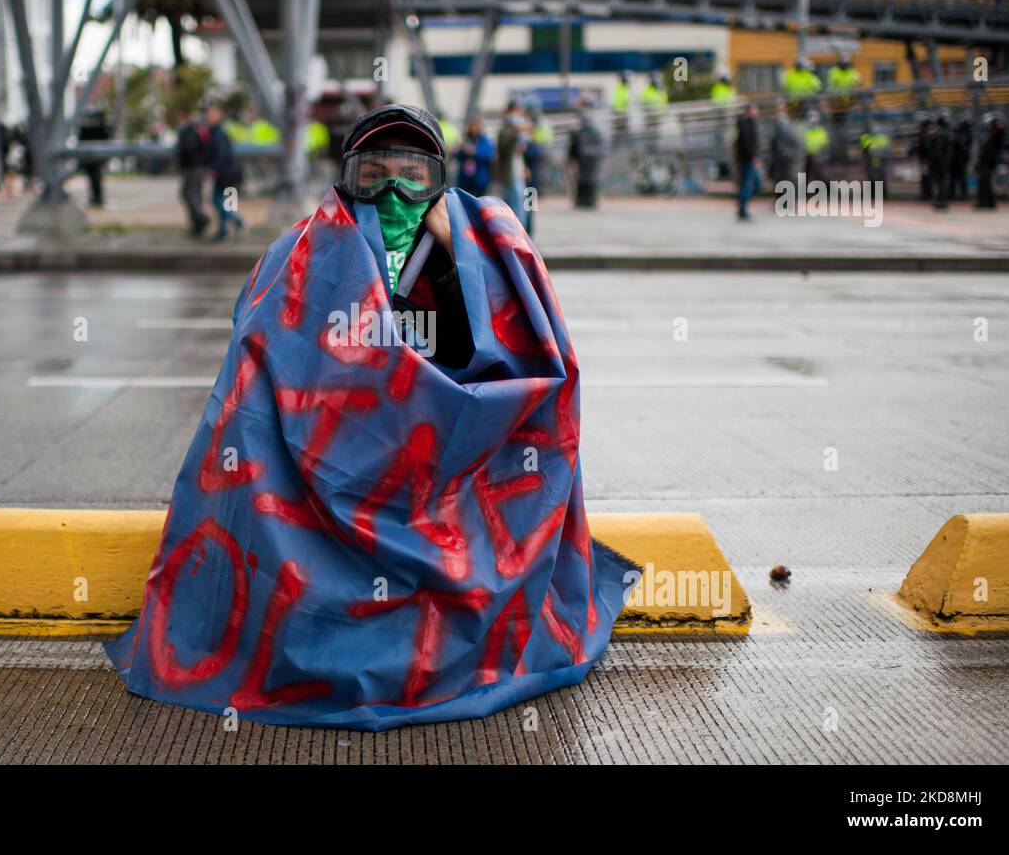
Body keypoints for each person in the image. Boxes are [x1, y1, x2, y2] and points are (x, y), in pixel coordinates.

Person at [101, 102, 632, 731]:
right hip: (323, 487)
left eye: (413, 173)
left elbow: (524, 372)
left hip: (438, 488)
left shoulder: (476, 254)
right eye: (371, 173)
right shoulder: (297, 255)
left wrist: (453, 256)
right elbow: (257, 376)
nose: (392, 191)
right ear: (343, 178)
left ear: (441, 181)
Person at [202, 103, 244, 241]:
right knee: (222, 201)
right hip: (226, 172)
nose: (208, 117)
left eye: (211, 114)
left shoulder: (217, 133)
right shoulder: (216, 132)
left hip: (225, 174)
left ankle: (238, 222)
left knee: (219, 201)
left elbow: (221, 154)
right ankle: (223, 230)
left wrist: (213, 168)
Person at [496, 102, 530, 234]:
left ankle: (522, 232)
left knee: (523, 204)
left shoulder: (518, 133)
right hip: (509, 175)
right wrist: (516, 133)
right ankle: (515, 231)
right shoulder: (505, 132)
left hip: (518, 174)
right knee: (512, 203)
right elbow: (504, 151)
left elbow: (519, 153)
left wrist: (525, 167)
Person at [176, 110, 210, 237]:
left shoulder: (190, 132)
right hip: (197, 168)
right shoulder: (200, 132)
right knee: (195, 196)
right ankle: (198, 225)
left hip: (192, 168)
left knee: (189, 194)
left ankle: (201, 218)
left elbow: (188, 149)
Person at [567, 101, 606, 208]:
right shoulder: (593, 131)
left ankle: (585, 199)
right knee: (588, 178)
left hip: (586, 159)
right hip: (589, 159)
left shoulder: (583, 132)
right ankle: (587, 199)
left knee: (585, 178)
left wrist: (572, 157)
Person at [735, 101, 762, 221]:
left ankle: (742, 205)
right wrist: (753, 157)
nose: (757, 112)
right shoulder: (746, 125)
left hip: (747, 159)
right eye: (754, 110)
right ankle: (742, 206)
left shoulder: (750, 124)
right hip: (747, 160)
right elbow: (747, 144)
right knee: (753, 183)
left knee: (751, 184)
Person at [454, 116, 494, 196]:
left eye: (475, 126)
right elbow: (458, 157)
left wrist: (474, 152)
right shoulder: (466, 139)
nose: (472, 129)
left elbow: (489, 155)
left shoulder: (485, 140)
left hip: (479, 178)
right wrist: (460, 150)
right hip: (465, 179)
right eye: (471, 126)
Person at [78, 111, 111, 207]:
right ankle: (96, 198)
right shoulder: (99, 128)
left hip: (95, 159)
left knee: (95, 179)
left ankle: (97, 198)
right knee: (93, 179)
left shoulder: (100, 128)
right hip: (91, 158)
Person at [769, 103, 802, 192]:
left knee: (786, 181)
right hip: (784, 159)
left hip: (784, 159)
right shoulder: (782, 125)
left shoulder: (783, 126)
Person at [975, 113, 1005, 210]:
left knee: (986, 182)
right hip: (983, 162)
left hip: (990, 162)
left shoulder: (997, 134)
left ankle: (988, 202)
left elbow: (1001, 131)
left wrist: (997, 123)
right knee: (983, 182)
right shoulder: (988, 134)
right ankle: (984, 202)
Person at [928, 114, 952, 210]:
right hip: (943, 161)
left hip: (939, 162)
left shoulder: (939, 133)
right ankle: (941, 200)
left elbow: (937, 150)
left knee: (940, 182)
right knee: (942, 181)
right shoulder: (947, 132)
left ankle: (941, 201)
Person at [860, 126, 891, 200]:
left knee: (877, 177)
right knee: (876, 177)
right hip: (874, 160)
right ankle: (878, 194)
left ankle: (880, 194)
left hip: (876, 160)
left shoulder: (869, 137)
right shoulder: (880, 137)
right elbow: (866, 149)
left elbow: (866, 149)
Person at [803, 110, 829, 185]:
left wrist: (818, 149)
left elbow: (824, 143)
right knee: (808, 173)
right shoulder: (806, 131)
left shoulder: (821, 131)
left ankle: (824, 187)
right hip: (809, 155)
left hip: (819, 154)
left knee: (821, 172)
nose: (813, 124)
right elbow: (804, 143)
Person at [949, 119, 972, 201]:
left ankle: (963, 194)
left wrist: (959, 143)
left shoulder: (967, 133)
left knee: (962, 177)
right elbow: (953, 142)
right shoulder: (955, 132)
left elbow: (963, 144)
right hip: (954, 159)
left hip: (962, 159)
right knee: (952, 177)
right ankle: (951, 194)